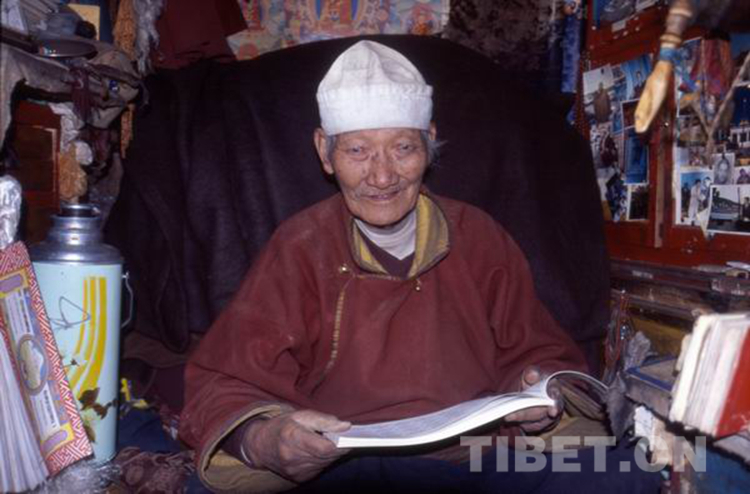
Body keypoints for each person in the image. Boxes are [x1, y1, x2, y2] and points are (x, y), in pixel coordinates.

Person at [180, 41, 661, 493]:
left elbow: (538, 355)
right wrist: (267, 441)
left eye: (403, 148)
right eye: (357, 150)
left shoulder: (478, 235)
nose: (382, 175)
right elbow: (226, 382)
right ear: (325, 151)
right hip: (350, 464)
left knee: (634, 469)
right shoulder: (300, 247)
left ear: (428, 143)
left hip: (479, 458)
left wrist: (536, 395)